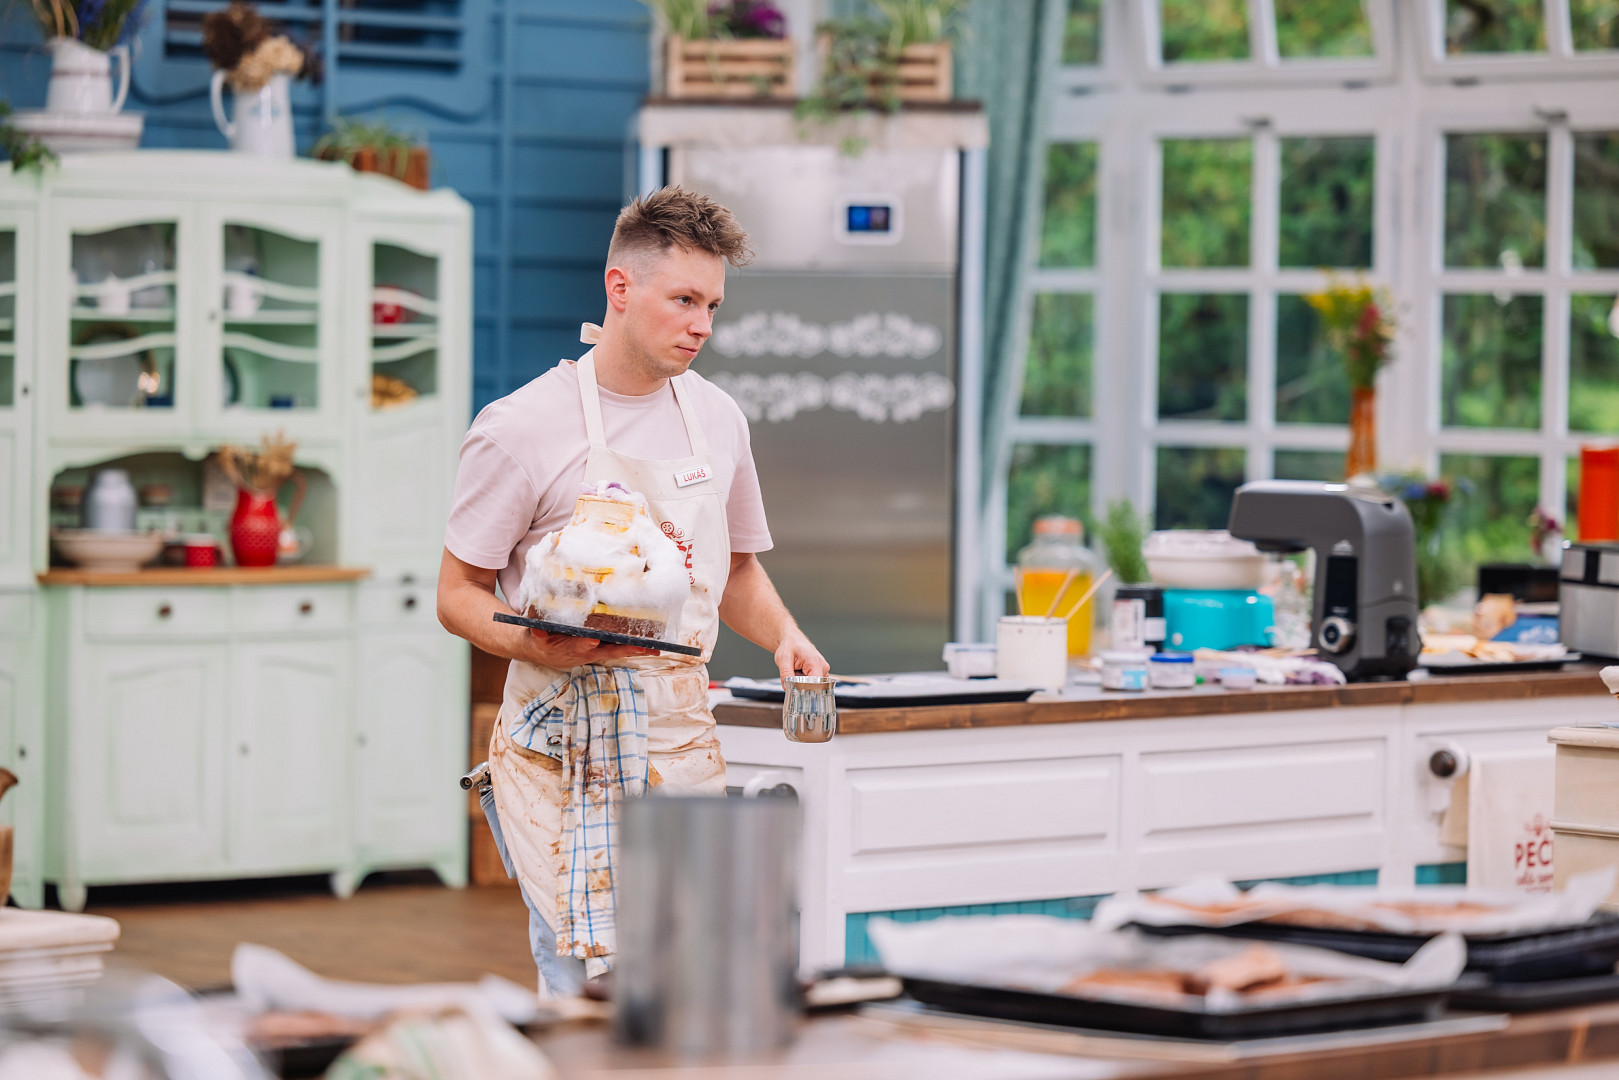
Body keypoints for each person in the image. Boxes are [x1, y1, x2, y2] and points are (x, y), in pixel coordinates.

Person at [437, 186, 829, 996]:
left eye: (712, 305)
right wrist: (531, 642)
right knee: (584, 991)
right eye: (684, 300)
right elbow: (456, 593)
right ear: (620, 287)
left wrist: (784, 635)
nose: (702, 325)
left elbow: (735, 572)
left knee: (692, 986)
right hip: (564, 746)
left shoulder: (718, 419)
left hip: (681, 740)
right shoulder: (518, 428)